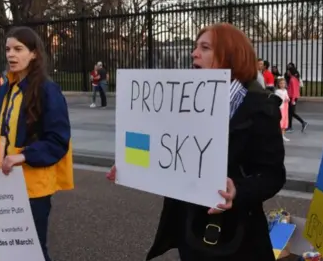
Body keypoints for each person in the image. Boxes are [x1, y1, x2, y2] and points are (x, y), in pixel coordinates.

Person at [107, 23, 286, 260]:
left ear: (229, 56)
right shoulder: (184, 101)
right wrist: (133, 165)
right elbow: (167, 147)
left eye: (205, 47)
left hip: (237, 237)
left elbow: (273, 175)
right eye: (195, 47)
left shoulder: (258, 109)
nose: (194, 53)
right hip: (191, 230)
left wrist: (238, 191)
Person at [0, 26, 74, 261]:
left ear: (34, 54)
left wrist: (23, 156)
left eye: (18, 49)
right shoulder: (7, 87)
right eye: (7, 49)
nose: (11, 55)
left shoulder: (48, 90)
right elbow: (10, 132)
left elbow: (58, 139)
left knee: (32, 249)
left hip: (34, 184)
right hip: (8, 180)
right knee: (12, 248)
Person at [285, 63, 308, 132]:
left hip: (293, 98)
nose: (287, 72)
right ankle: (290, 126)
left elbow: (295, 91)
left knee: (291, 113)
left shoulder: (293, 79)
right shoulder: (293, 78)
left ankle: (302, 123)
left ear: (291, 72)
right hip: (292, 97)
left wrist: (292, 100)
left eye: (288, 71)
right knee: (290, 113)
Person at [274, 77, 290, 142]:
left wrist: (288, 99)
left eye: (283, 83)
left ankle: (283, 135)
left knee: (285, 121)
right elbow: (277, 99)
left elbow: (287, 96)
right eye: (281, 83)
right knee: (280, 120)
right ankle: (278, 135)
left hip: (285, 107)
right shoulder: (277, 91)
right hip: (281, 107)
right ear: (278, 84)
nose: (282, 84)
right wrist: (284, 99)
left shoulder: (285, 90)